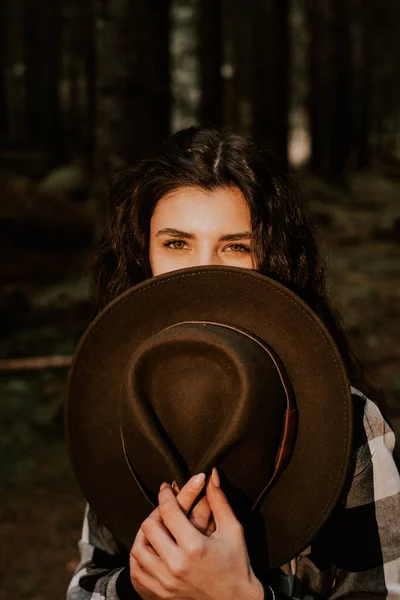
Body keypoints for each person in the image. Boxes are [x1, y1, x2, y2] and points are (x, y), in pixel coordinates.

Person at [67, 126, 400, 599]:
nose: (204, 271)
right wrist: (138, 587)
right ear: (144, 254)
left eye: (236, 247)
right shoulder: (124, 398)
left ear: (273, 260)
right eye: (177, 244)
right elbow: (87, 584)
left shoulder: (347, 426)